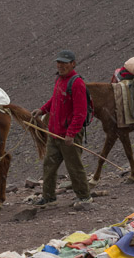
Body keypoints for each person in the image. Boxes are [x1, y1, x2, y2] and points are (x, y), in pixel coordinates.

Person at [30, 50, 92, 207]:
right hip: (54, 133)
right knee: (48, 166)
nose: (61, 65)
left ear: (73, 63)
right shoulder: (59, 79)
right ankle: (49, 197)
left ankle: (84, 197)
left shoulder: (77, 83)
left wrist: (71, 133)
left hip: (68, 135)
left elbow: (80, 113)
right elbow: (55, 99)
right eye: (59, 62)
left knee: (74, 167)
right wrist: (43, 110)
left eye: (65, 63)